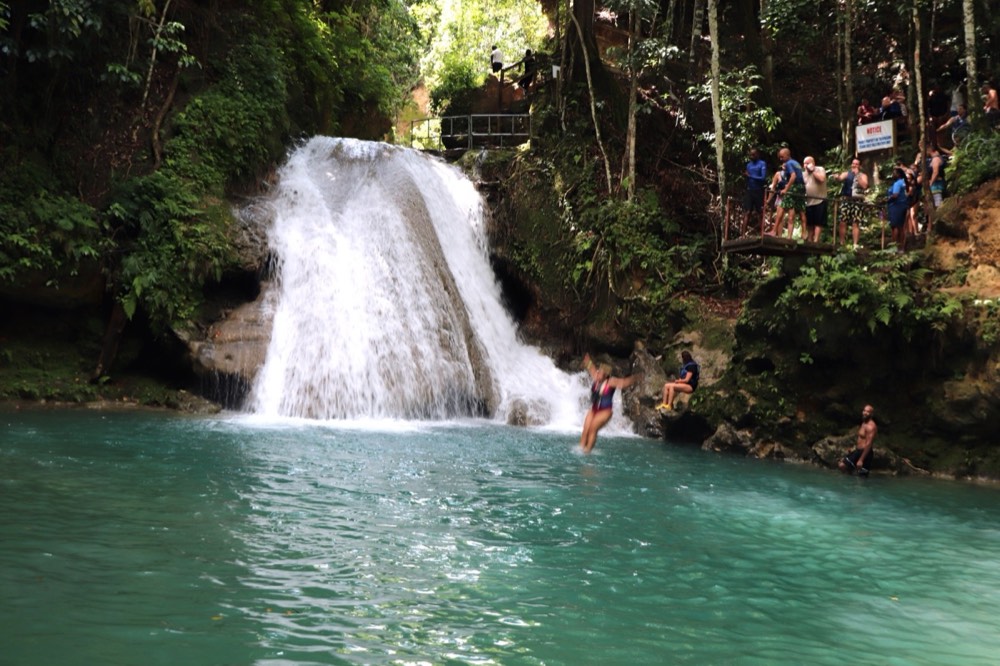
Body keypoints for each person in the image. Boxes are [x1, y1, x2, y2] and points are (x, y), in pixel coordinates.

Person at [579, 354, 641, 454]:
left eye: (601, 374)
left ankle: (587, 452)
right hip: (594, 409)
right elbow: (591, 366)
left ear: (606, 375)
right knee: (585, 429)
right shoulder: (596, 376)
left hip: (605, 411)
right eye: (598, 372)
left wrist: (636, 377)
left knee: (592, 428)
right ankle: (580, 450)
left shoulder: (611, 382)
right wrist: (587, 360)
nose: (598, 375)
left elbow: (624, 383)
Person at [830, 157, 869, 248]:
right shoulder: (847, 173)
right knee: (843, 221)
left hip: (857, 201)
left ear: (859, 166)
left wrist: (857, 175)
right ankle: (842, 243)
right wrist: (836, 177)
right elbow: (840, 178)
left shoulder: (863, 175)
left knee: (856, 222)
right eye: (853, 163)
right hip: (846, 199)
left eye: (856, 164)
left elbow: (864, 185)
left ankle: (855, 244)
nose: (854, 165)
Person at [771, 148, 806, 239]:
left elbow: (793, 176)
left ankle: (774, 231)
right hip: (801, 188)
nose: (781, 159)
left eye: (782, 157)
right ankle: (799, 235)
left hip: (794, 187)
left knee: (782, 206)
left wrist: (786, 188)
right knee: (798, 211)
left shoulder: (789, 163)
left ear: (787, 155)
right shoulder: (796, 163)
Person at [839, 404, 877, 476]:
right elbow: (861, 438)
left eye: (867, 412)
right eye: (864, 410)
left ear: (871, 414)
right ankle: (849, 483)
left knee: (862, 477)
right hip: (858, 451)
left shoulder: (871, 427)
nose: (865, 413)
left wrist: (861, 460)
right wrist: (854, 447)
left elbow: (869, 443)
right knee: (842, 465)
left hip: (865, 453)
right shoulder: (864, 422)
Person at [742, 148, 768, 235]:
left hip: (758, 191)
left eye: (753, 155)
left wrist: (750, 176)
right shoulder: (748, 165)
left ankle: (761, 234)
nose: (751, 156)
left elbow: (763, 178)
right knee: (747, 212)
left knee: (759, 212)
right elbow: (747, 178)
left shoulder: (762, 164)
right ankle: (742, 235)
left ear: (757, 155)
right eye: (750, 155)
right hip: (749, 190)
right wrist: (747, 177)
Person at [803, 156, 828, 243]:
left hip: (820, 200)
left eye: (807, 163)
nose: (805, 165)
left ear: (812, 163)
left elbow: (822, 179)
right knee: (810, 222)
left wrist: (812, 171)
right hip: (809, 202)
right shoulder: (804, 174)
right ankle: (809, 239)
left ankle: (816, 240)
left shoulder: (820, 169)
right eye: (804, 163)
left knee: (818, 222)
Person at [886, 165, 909, 251]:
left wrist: (887, 199)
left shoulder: (897, 183)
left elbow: (895, 195)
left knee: (895, 227)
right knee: (901, 227)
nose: (893, 174)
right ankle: (901, 248)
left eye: (894, 173)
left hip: (896, 206)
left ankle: (894, 247)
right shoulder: (903, 182)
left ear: (899, 174)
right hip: (902, 206)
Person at [926, 144, 946, 208]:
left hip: (936, 185)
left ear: (929, 151)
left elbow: (935, 172)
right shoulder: (934, 159)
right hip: (935, 184)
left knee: (938, 203)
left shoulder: (936, 159)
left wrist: (931, 182)